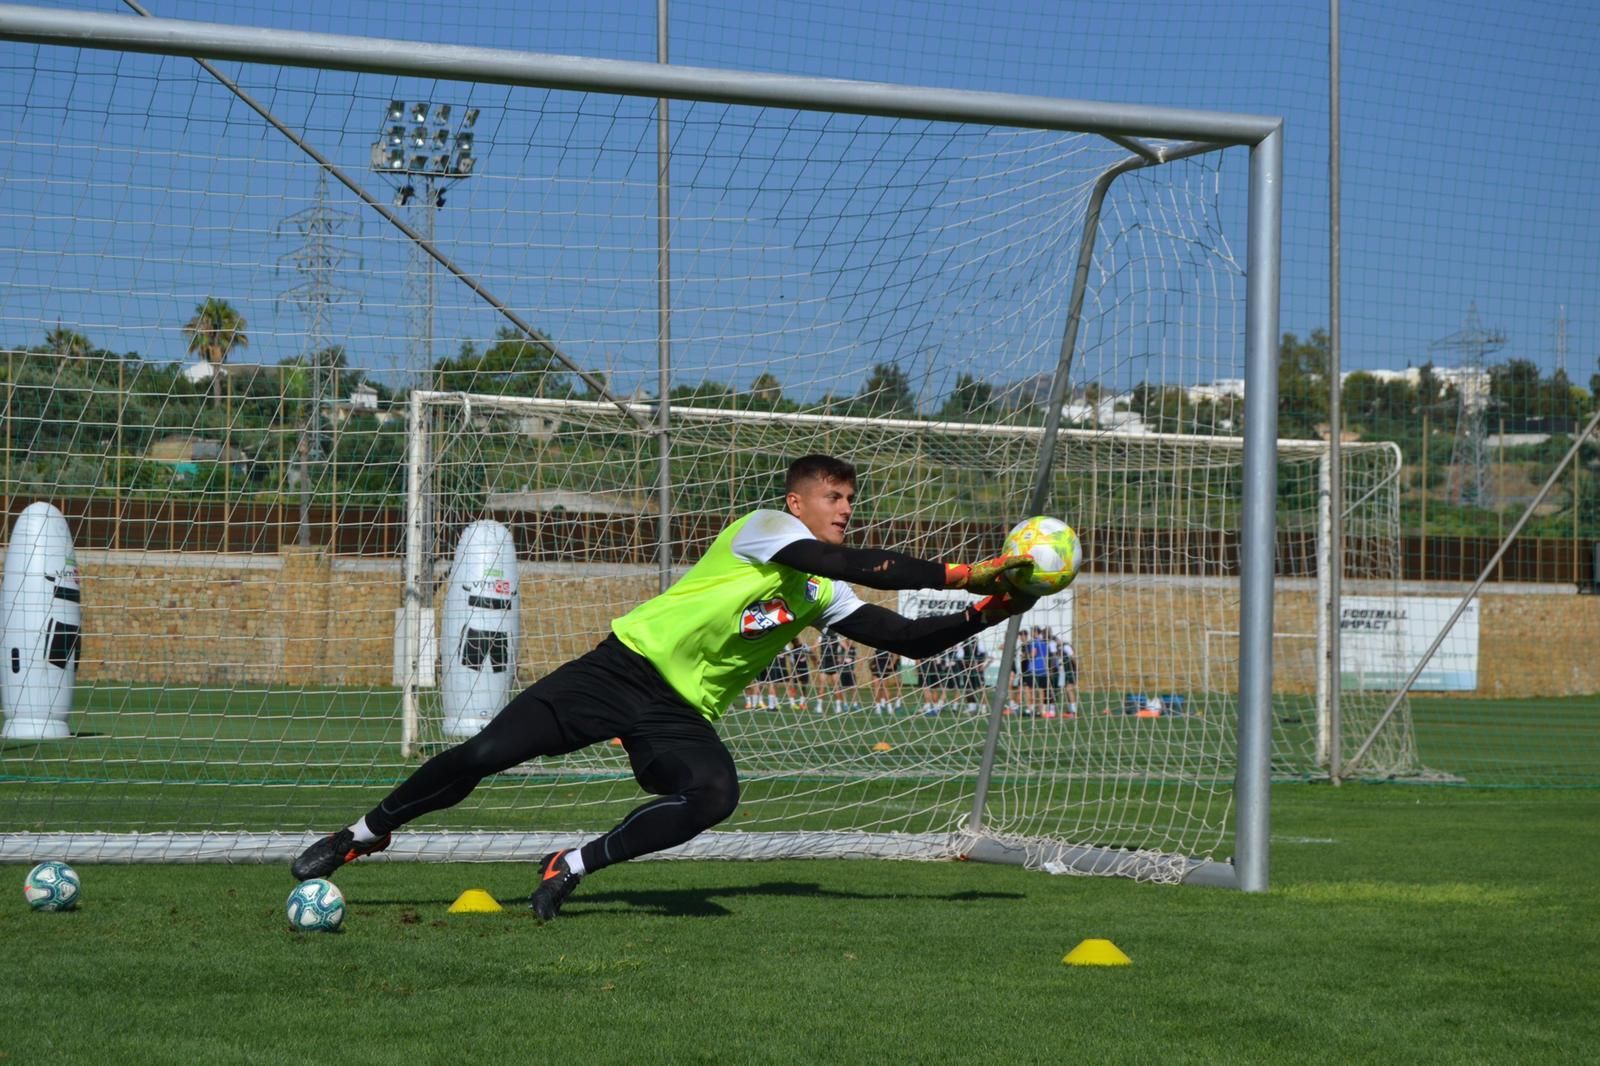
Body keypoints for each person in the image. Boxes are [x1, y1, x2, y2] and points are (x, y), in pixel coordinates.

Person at [290, 454, 1036, 920]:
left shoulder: (817, 590)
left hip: (678, 713)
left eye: (851, 500)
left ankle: (570, 866)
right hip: (620, 669)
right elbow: (848, 564)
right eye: (835, 497)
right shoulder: (766, 529)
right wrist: (962, 573)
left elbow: (903, 638)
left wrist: (990, 609)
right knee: (485, 751)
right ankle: (361, 835)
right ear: (800, 502)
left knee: (715, 795)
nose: (847, 508)